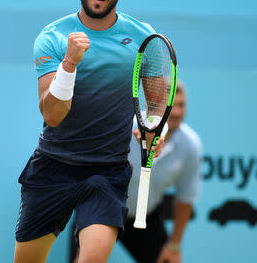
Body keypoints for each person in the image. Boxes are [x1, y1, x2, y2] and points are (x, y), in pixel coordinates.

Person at [14, 0, 163, 263]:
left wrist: (153, 128)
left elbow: (158, 99)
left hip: (106, 172)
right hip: (52, 167)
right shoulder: (52, 37)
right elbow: (52, 115)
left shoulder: (142, 38)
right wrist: (69, 64)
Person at [69, 81, 202, 263]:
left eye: (182, 105)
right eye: (172, 104)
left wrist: (174, 245)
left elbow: (185, 198)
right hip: (101, 208)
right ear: (155, 107)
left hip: (145, 216)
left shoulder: (190, 145)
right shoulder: (124, 128)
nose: (177, 112)